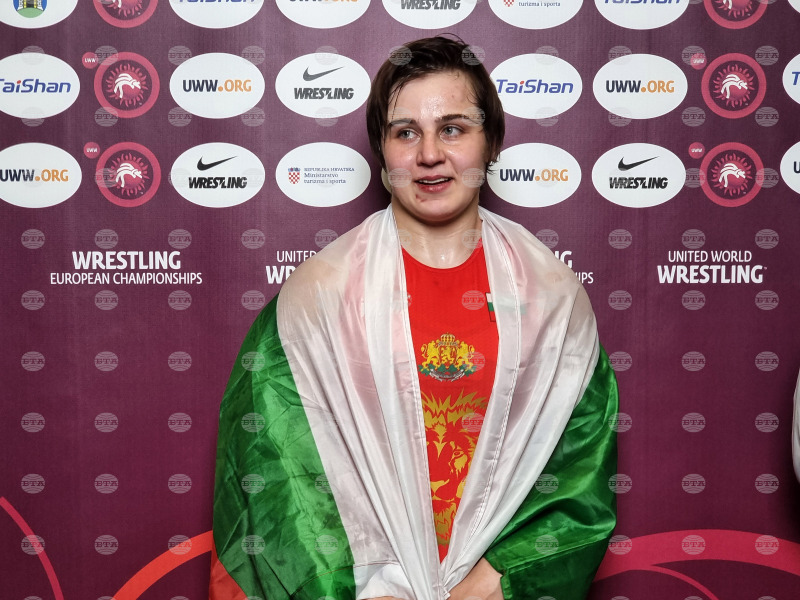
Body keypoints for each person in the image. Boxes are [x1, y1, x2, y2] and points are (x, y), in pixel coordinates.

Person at [210, 36, 618, 600]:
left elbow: (578, 472)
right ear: (381, 150)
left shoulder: (551, 295)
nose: (429, 154)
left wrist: (493, 581)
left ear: (492, 142)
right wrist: (371, 589)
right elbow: (279, 476)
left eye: (453, 128)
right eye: (405, 132)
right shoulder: (318, 295)